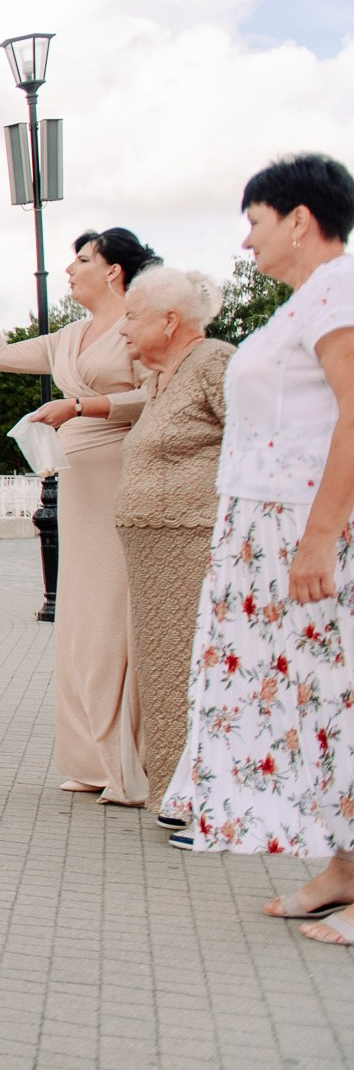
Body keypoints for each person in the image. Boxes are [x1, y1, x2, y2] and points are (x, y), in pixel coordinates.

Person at [158, 154, 354, 949]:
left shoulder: (337, 290)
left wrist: (319, 533)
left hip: (304, 527)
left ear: (299, 219)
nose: (245, 242)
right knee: (310, 701)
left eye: (254, 222)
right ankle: (343, 864)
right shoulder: (304, 302)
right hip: (263, 530)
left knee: (338, 696)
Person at [0, 230, 157, 806]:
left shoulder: (142, 323)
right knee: (79, 617)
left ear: (115, 271)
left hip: (122, 481)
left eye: (82, 260)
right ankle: (90, 760)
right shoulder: (69, 337)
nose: (69, 270)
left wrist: (81, 405)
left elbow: (155, 395)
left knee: (113, 616)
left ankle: (130, 765)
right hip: (78, 489)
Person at [111, 266, 233, 818]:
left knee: (190, 669)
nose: (122, 330)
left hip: (193, 544)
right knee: (161, 674)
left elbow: (255, 444)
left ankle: (204, 798)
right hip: (152, 550)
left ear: (170, 319)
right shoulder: (161, 378)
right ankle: (173, 791)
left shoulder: (216, 362)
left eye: (131, 317)